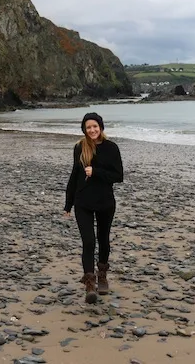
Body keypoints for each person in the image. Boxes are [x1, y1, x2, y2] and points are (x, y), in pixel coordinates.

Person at [64, 112, 123, 303]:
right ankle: (89, 283)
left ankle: (102, 275)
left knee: (103, 239)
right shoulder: (79, 147)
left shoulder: (111, 148)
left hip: (105, 201)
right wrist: (68, 203)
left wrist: (96, 172)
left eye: (95, 126)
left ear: (101, 127)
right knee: (88, 242)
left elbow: (118, 176)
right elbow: (74, 176)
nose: (92, 130)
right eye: (88, 127)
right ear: (84, 129)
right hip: (83, 202)